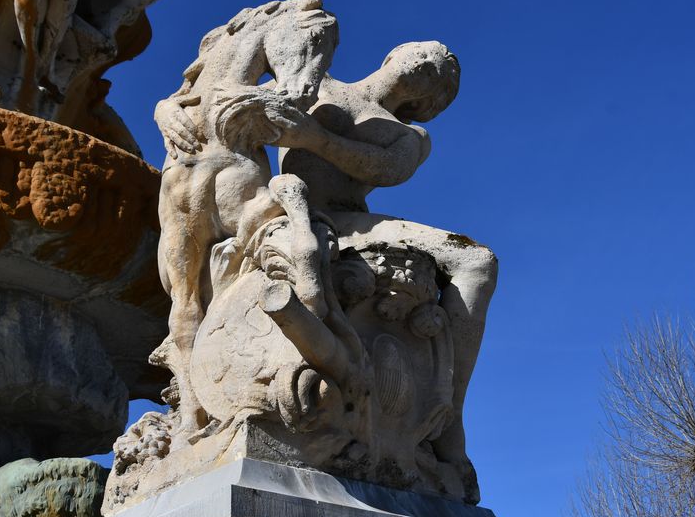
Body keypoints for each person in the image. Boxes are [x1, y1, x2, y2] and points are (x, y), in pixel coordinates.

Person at [163, 41, 495, 478]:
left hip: (351, 219)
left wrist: (311, 137)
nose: (425, 62)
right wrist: (167, 109)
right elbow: (217, 91)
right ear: (392, 52)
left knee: (478, 262)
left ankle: (450, 415)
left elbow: (384, 169)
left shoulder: (410, 135)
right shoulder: (310, 78)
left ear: (428, 101)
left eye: (436, 72)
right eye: (423, 53)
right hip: (280, 207)